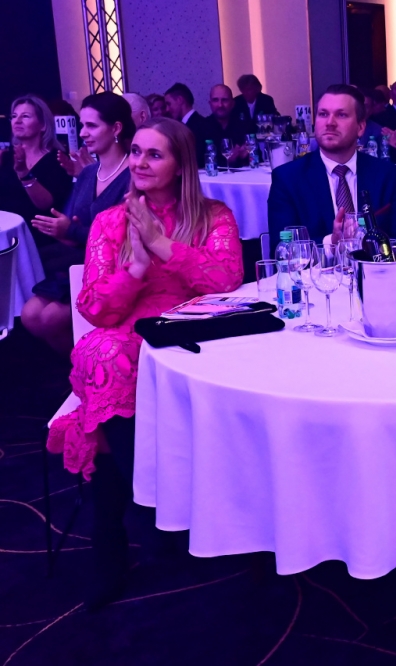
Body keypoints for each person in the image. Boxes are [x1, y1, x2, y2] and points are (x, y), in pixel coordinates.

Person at [47, 116, 243, 609]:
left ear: (181, 164)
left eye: (154, 154)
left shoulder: (213, 216)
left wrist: (161, 246)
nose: (139, 162)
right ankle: (151, 507)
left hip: (194, 332)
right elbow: (95, 308)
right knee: (104, 353)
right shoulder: (110, 221)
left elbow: (226, 281)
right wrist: (135, 268)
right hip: (128, 331)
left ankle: (117, 533)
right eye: (135, 151)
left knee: (115, 368)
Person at [21, 92, 134, 355]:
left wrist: (70, 230)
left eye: (91, 126)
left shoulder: (133, 174)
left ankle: (92, 365)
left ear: (116, 128)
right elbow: (71, 222)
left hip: (114, 268)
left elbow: (122, 237)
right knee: (30, 315)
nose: (83, 133)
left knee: (49, 318)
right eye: (82, 125)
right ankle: (81, 364)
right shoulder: (88, 173)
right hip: (79, 261)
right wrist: (61, 229)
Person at [268, 85, 396, 249]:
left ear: (360, 128)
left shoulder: (387, 175)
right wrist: (332, 242)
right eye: (323, 114)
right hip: (318, 266)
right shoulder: (288, 178)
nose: (330, 123)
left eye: (341, 115)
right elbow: (282, 247)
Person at [0, 95, 74, 240]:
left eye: (25, 116)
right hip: (4, 231)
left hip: (35, 235)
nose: (17, 121)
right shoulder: (6, 156)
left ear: (43, 125)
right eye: (14, 116)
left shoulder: (56, 159)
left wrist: (24, 173)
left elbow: (45, 205)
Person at [164, 83, 211, 168]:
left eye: (169, 104)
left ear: (179, 100)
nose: (167, 109)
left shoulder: (201, 125)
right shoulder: (183, 125)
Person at [205, 84, 253, 168]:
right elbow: (199, 162)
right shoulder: (201, 127)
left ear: (232, 103)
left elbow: (258, 157)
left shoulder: (245, 126)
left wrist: (247, 155)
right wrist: (227, 160)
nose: (220, 105)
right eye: (215, 100)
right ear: (210, 103)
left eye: (224, 100)